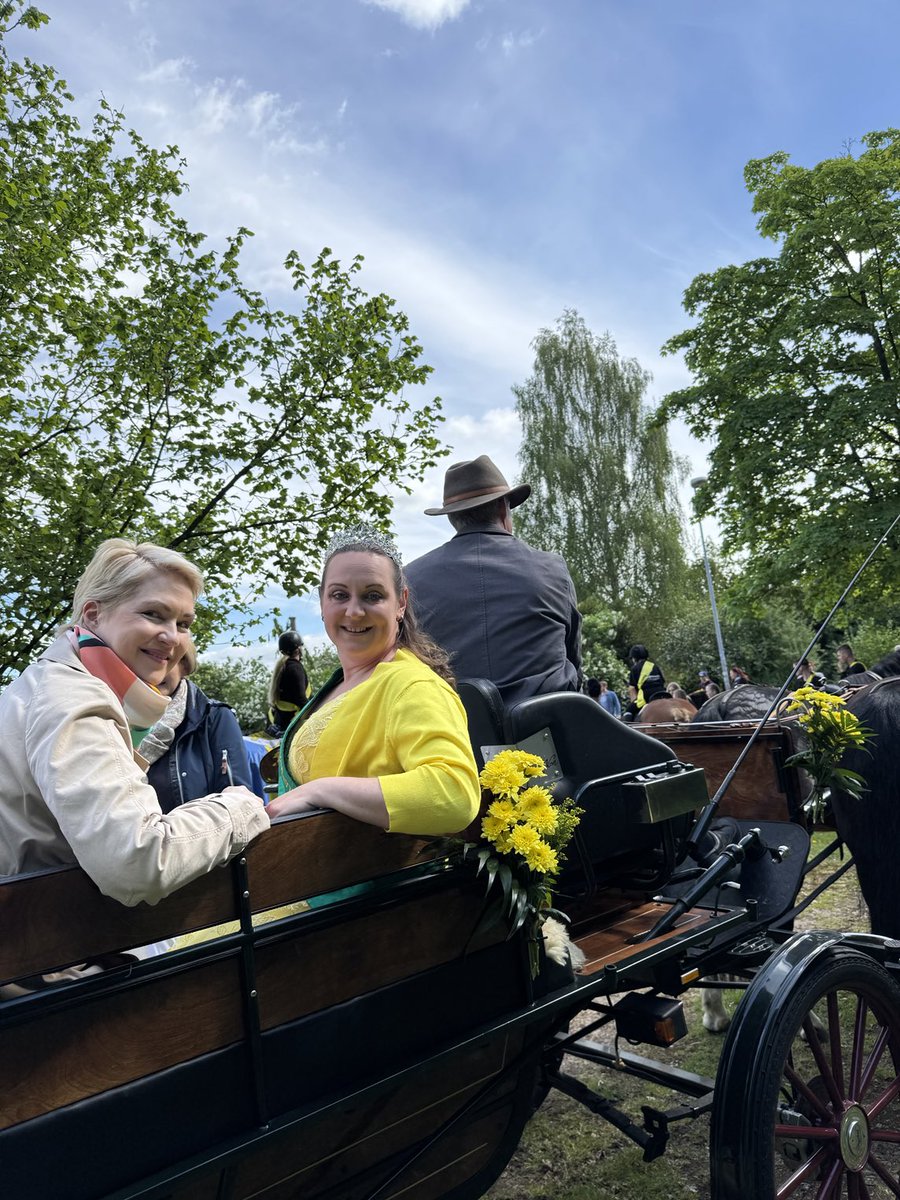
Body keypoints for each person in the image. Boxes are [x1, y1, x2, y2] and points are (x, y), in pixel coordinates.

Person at [0, 539, 270, 908]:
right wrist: (241, 807)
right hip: (57, 954)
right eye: (153, 614)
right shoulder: (75, 698)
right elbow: (138, 862)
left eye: (183, 623)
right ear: (93, 615)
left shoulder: (40, 683)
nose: (172, 637)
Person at [267, 526, 480, 837]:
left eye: (373, 595)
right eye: (339, 595)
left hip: (367, 883)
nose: (354, 611)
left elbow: (454, 795)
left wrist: (321, 791)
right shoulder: (343, 682)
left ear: (400, 603)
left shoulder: (411, 685)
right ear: (323, 603)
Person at [404, 456, 581, 706]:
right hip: (546, 731)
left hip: (451, 730)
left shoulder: (410, 578)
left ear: (452, 518)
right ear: (503, 508)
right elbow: (572, 656)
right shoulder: (552, 568)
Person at [144, 634, 255, 812]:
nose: (155, 674)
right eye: (145, 661)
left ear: (185, 666)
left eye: (166, 659)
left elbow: (238, 805)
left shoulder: (214, 717)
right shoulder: (113, 720)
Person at [267, 629, 310, 733]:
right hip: (293, 723)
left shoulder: (283, 666)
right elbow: (301, 699)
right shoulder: (295, 667)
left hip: (281, 720)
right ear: (298, 648)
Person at [623, 645, 666, 721]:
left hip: (646, 697)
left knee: (629, 711)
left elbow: (632, 688)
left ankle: (627, 729)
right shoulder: (654, 666)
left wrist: (633, 702)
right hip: (662, 694)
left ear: (634, 658)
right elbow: (662, 681)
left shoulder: (635, 668)